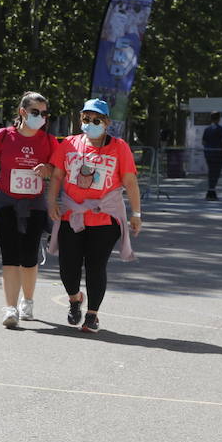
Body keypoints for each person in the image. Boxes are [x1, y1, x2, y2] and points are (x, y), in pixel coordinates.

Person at [45, 98, 142, 333]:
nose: (90, 123)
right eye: (86, 119)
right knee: (68, 267)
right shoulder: (68, 143)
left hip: (104, 217)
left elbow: (129, 181)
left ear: (107, 122)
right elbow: (57, 176)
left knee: (96, 267)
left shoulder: (119, 147)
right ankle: (75, 298)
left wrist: (136, 213)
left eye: (96, 119)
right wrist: (51, 202)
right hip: (72, 214)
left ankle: (92, 315)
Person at [0, 91, 57, 326]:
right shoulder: (4, 136)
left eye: (44, 113)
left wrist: (47, 169)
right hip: (6, 202)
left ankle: (28, 300)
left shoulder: (48, 141)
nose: (40, 117)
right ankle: (10, 308)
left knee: (29, 256)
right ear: (22, 112)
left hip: (35, 204)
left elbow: (59, 173)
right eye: (35, 112)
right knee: (10, 257)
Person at [201, 112, 222, 200]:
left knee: (211, 172)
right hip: (218, 154)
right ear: (218, 118)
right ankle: (211, 191)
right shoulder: (220, 129)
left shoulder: (207, 129)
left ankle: (211, 190)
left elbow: (203, 142)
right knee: (216, 173)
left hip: (208, 153)